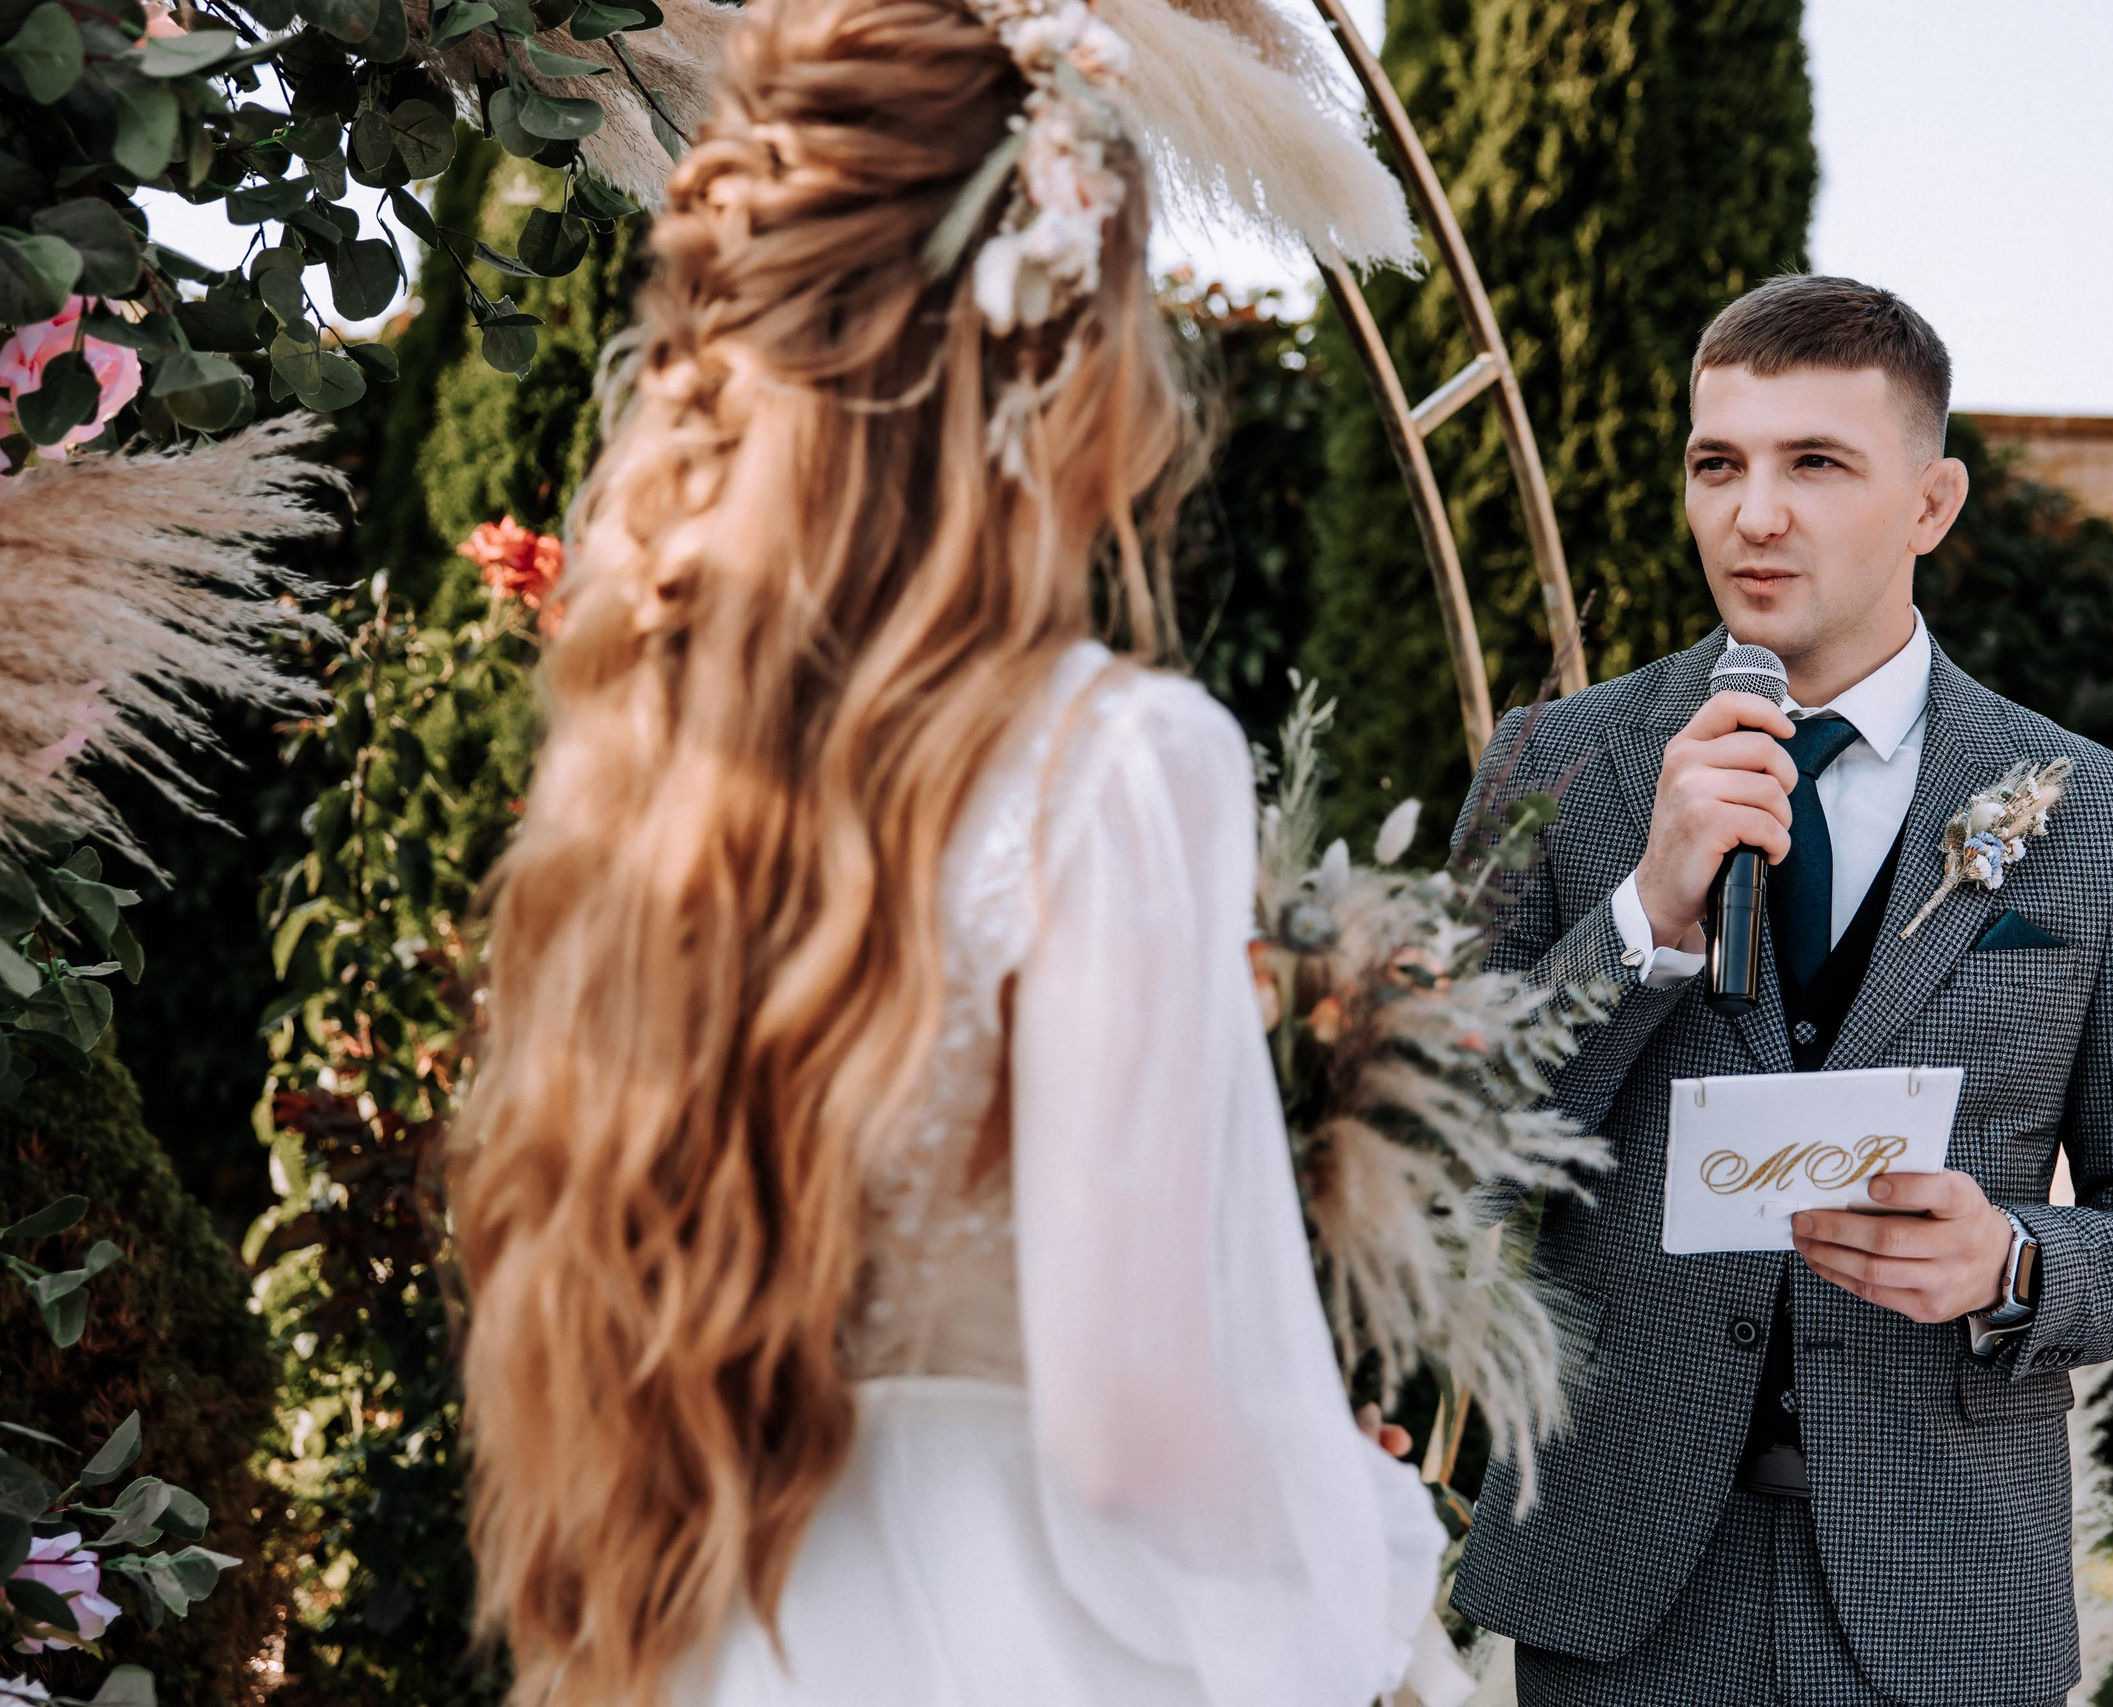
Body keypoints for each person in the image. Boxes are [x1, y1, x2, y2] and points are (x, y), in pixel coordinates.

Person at [442, 2, 1444, 1704]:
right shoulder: (1108, 762)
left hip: (732, 1619)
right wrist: (1356, 1516)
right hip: (1011, 1638)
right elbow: (1131, 1435)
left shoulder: (657, 754)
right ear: (1053, 324)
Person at [1447, 275, 2113, 1707]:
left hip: (1941, 1598)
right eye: (1720, 464)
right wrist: (1646, 909)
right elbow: (1441, 1166)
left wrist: (2015, 1263)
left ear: (1931, 504)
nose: (1757, 514)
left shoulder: (2100, 818)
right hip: (1621, 1586)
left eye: (1815, 463)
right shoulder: (1557, 772)